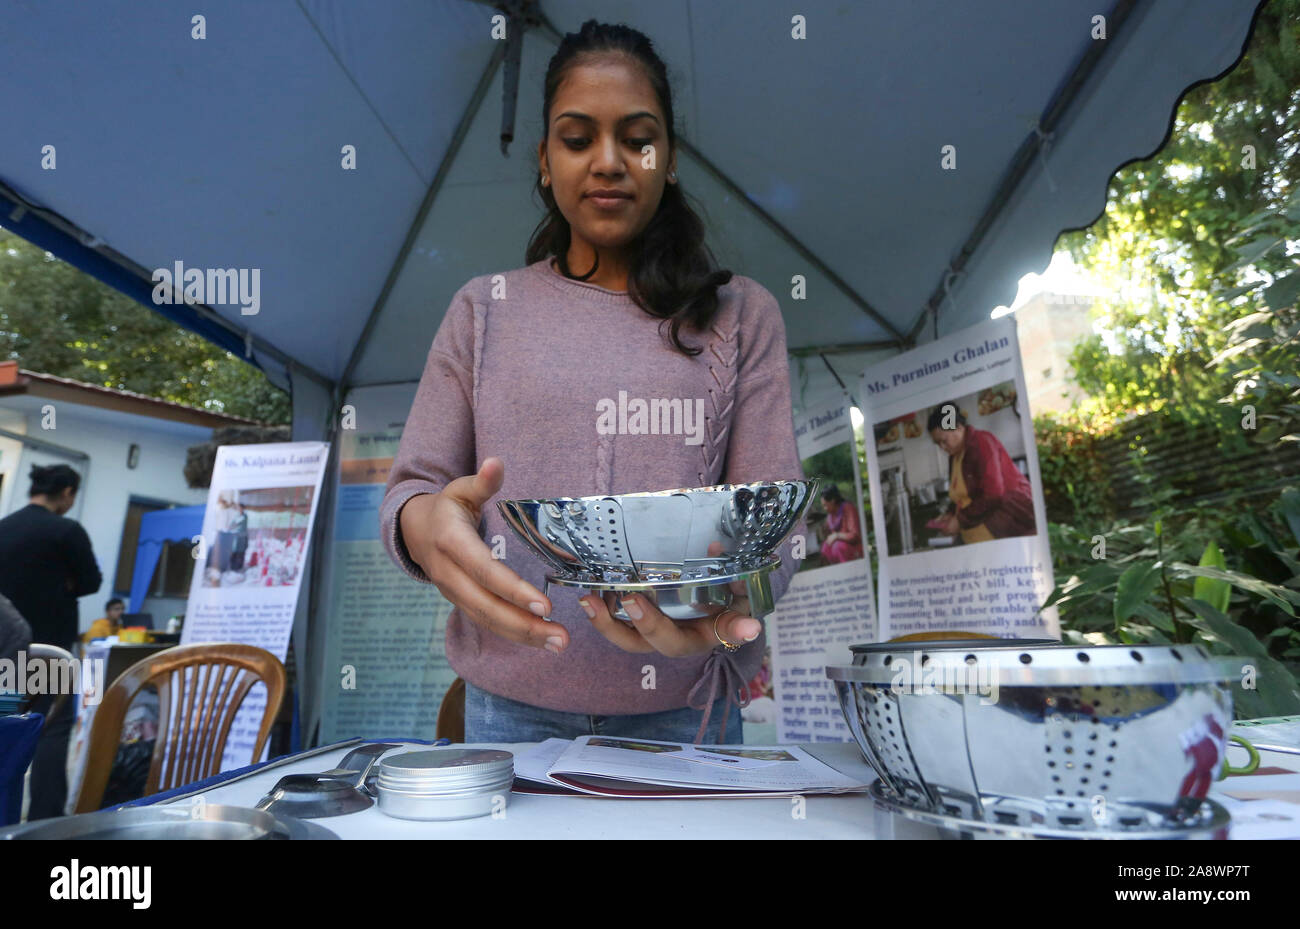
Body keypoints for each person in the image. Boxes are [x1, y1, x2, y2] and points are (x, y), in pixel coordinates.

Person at [381, 20, 806, 745]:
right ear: (544, 160)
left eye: (637, 138)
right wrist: (424, 527)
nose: (608, 161)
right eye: (578, 139)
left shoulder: (741, 314)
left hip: (689, 716)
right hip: (506, 714)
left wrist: (725, 601)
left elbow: (779, 527)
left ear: (667, 158)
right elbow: (412, 487)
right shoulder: (484, 311)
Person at [0, 463, 102, 818]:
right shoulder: (66, 531)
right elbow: (91, 582)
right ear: (68, 493)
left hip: (5, 650)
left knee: (5, 725)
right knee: (50, 729)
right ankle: (44, 819)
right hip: (50, 652)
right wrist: (65, 584)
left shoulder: (4, 527)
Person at [927, 402, 1035, 542]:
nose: (942, 447)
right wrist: (951, 513)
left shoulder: (981, 442)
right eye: (938, 443)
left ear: (958, 427)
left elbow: (993, 494)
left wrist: (959, 520)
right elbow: (963, 496)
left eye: (944, 441)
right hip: (977, 535)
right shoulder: (954, 455)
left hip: (1007, 528)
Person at [819, 485, 863, 563]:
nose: (824, 508)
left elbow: (855, 535)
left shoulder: (848, 509)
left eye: (825, 505)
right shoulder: (830, 515)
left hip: (854, 548)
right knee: (825, 548)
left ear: (832, 500)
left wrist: (837, 535)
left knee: (838, 547)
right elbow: (829, 537)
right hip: (839, 550)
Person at [230, 503, 249, 572]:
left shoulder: (244, 516)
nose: (239, 509)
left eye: (240, 508)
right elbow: (232, 524)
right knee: (234, 551)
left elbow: (236, 522)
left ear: (243, 509)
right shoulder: (236, 516)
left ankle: (239, 567)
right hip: (236, 536)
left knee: (241, 552)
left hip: (242, 536)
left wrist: (232, 525)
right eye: (238, 508)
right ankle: (233, 567)